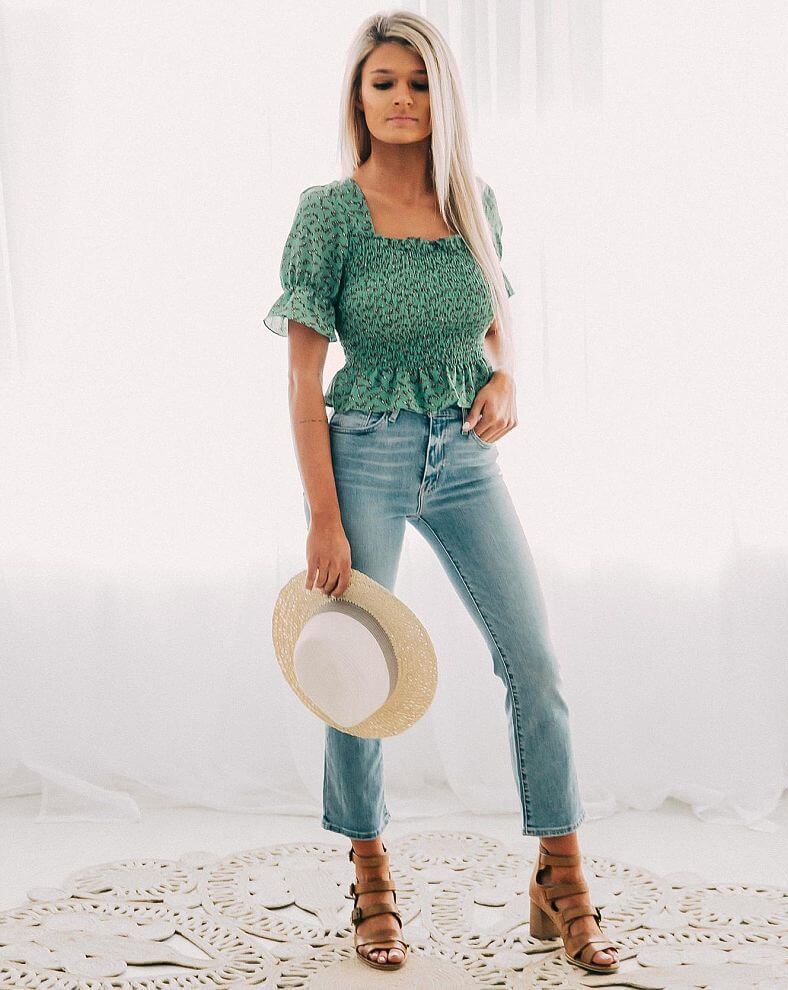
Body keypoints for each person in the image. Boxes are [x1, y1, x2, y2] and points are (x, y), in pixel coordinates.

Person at [262, 10, 620, 976]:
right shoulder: (328, 214)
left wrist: (506, 379)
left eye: (419, 83)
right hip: (364, 453)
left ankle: (561, 877)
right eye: (383, 82)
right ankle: (370, 877)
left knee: (534, 665)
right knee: (355, 674)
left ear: (443, 96)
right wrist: (323, 517)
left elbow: (497, 321)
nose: (402, 100)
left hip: (463, 457)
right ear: (357, 96)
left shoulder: (472, 201)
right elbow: (301, 379)